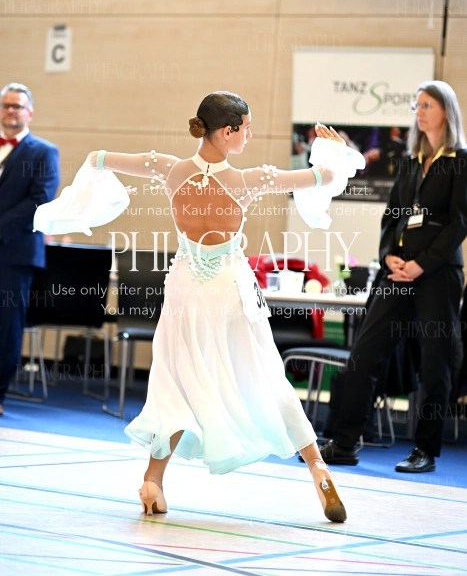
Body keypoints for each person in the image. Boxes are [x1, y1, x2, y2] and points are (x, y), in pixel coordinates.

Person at [73, 91, 363, 523]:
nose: (250, 135)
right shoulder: (249, 180)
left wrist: (87, 182)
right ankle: (318, 469)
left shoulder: (169, 169)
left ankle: (153, 481)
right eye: (246, 128)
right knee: (266, 375)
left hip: (185, 289)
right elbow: (324, 177)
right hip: (230, 289)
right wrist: (336, 149)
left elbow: (100, 159)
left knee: (175, 381)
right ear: (227, 132)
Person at [320, 80, 467, 473]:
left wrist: (423, 264)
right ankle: (345, 442)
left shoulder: (460, 160)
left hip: (437, 275)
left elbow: (459, 222)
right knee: (365, 352)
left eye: (427, 105)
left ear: (446, 111)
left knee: (435, 363)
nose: (419, 112)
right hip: (397, 273)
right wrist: (389, 257)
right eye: (416, 106)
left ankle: (425, 450)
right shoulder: (410, 160)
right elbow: (391, 217)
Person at [0, 82, 60, 415]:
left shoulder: (44, 152)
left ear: (30, 113)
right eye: (6, 105)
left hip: (15, 252)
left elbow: (40, 200)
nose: (11, 111)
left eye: (18, 106)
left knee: (6, 327)